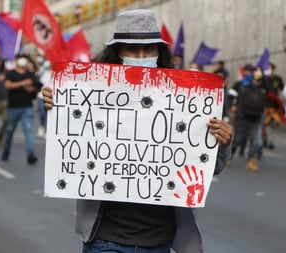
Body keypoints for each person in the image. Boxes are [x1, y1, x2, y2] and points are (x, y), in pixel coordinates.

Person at [42, 9, 233, 253]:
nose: (141, 56)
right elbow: (71, 149)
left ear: (159, 52)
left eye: (149, 49)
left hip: (158, 241)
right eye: (132, 49)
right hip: (105, 239)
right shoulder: (92, 94)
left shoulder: (184, 99)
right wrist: (59, 106)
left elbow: (210, 167)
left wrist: (223, 143)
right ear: (118, 52)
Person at [1, 54, 40, 165]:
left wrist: (32, 89)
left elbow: (37, 87)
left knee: (28, 130)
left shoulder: (30, 74)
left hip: (27, 106)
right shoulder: (11, 73)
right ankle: (6, 150)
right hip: (13, 107)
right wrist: (23, 83)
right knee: (9, 131)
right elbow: (7, 85)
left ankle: (30, 154)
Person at [228, 64, 266, 171]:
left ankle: (251, 161)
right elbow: (231, 96)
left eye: (252, 71)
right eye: (248, 71)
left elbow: (267, 88)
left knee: (254, 139)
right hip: (242, 116)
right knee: (238, 138)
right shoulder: (239, 84)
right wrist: (232, 105)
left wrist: (260, 75)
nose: (250, 73)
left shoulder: (259, 83)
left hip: (255, 116)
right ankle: (229, 156)